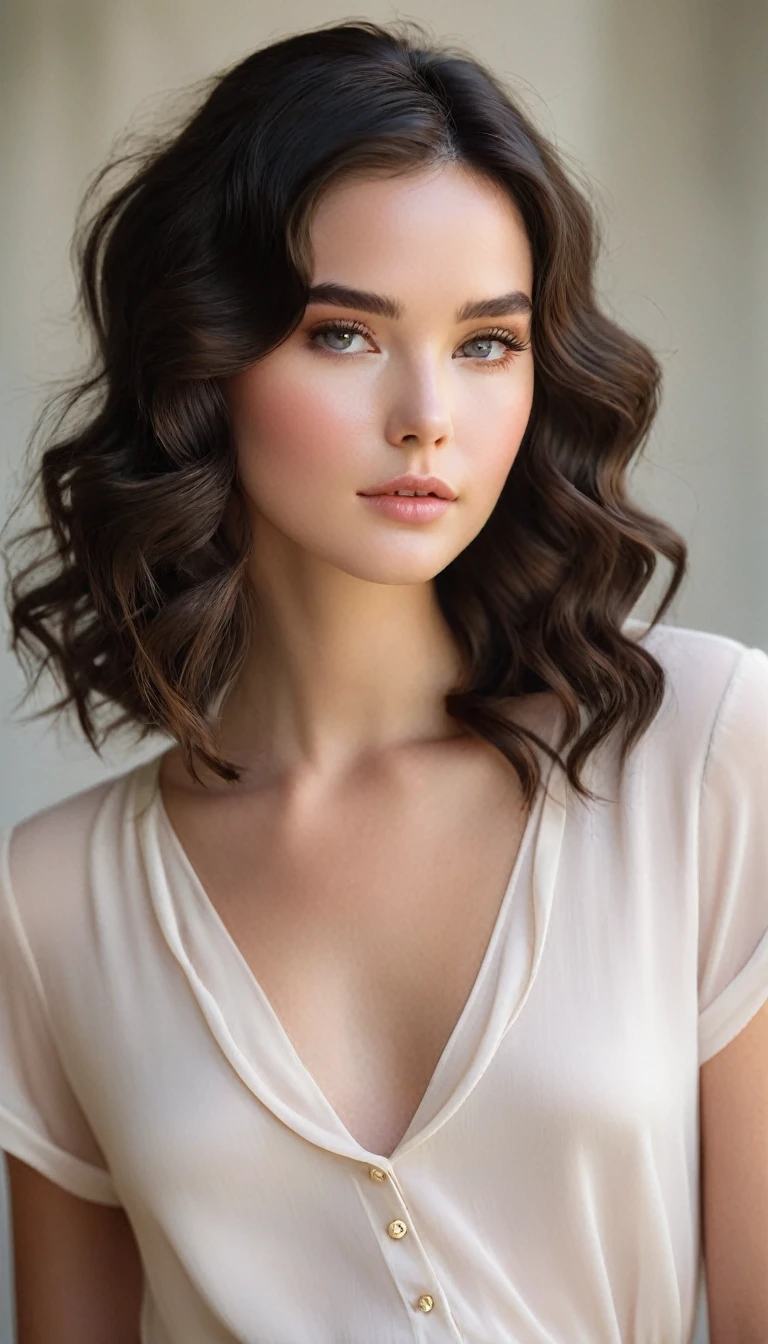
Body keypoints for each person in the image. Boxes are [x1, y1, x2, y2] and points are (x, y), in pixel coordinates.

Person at [1, 17, 767, 1344]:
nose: (427, 412)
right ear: (205, 358)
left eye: (486, 343)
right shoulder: (50, 904)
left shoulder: (700, 755)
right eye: (344, 335)